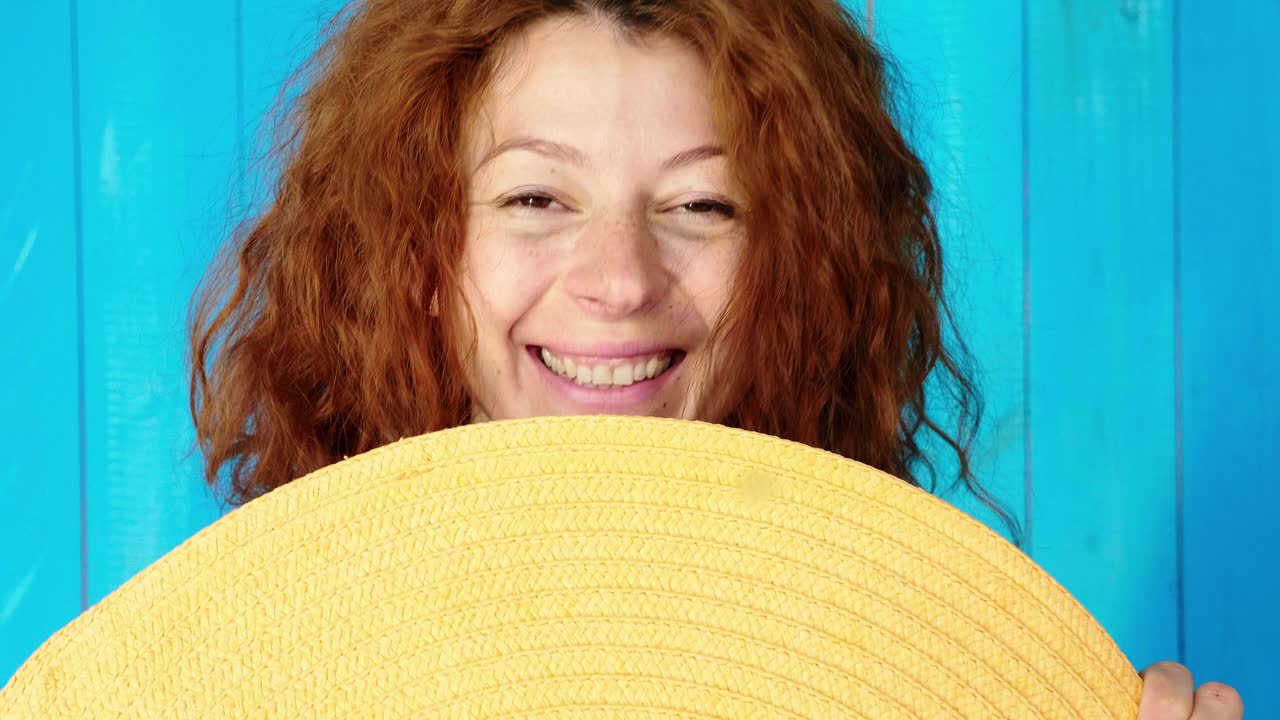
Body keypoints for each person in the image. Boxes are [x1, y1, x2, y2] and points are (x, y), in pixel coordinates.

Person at [188, 1, 1243, 717]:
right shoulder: (243, 678)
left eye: (701, 204)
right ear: (407, 250)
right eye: (535, 198)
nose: (619, 278)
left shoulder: (914, 673)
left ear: (799, 262)